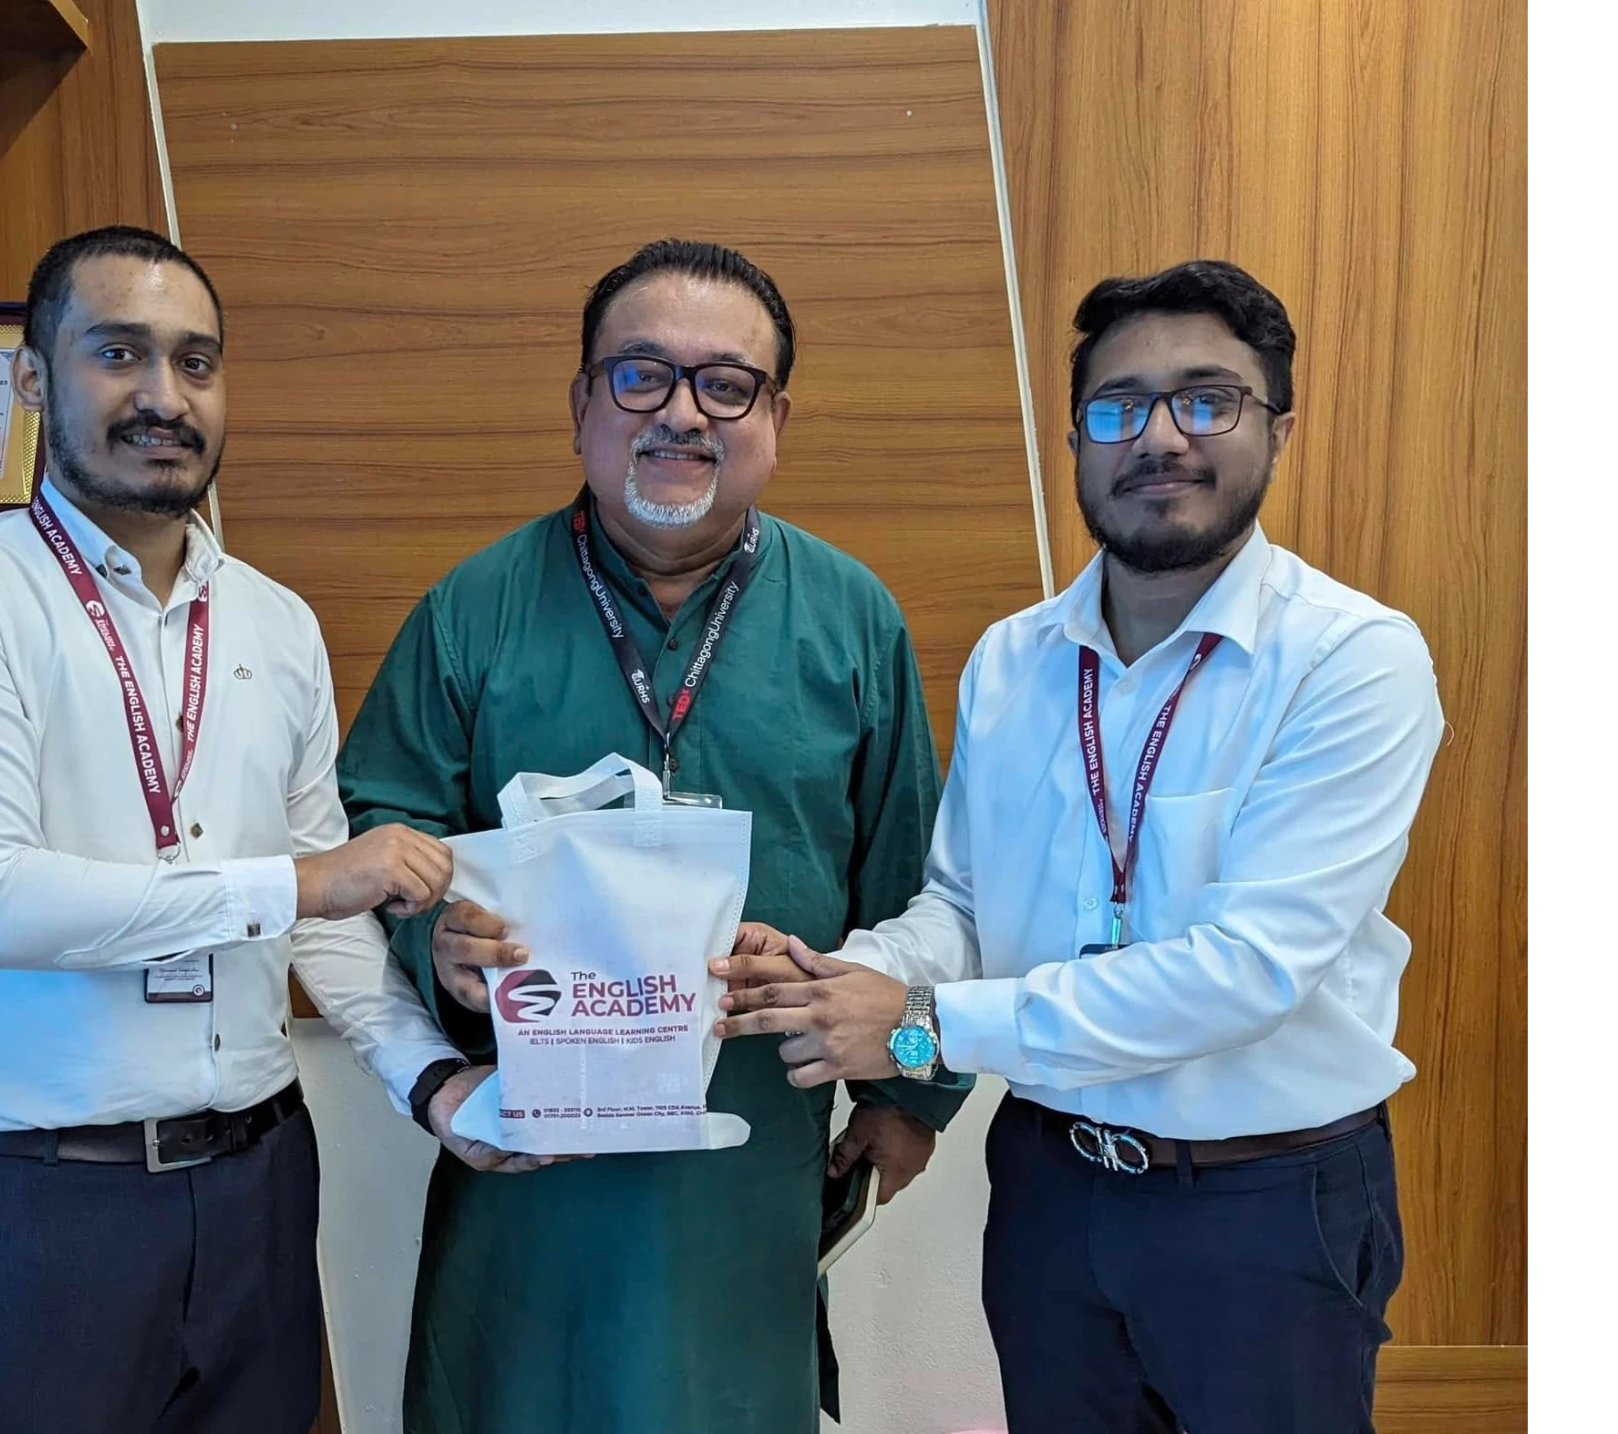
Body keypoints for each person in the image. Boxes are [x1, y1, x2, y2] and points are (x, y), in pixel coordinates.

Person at [715, 259, 1445, 1433]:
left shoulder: (1348, 660)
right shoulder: (1015, 658)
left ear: (1276, 428)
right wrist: (839, 974)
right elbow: (963, 904)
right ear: (1075, 441)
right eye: (1117, 406)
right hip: (1051, 1189)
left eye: (1204, 400)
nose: (1157, 436)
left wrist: (917, 1024)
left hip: (1260, 1198)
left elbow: (1248, 969)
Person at [0, 225, 530, 1434]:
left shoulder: (275, 622)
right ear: (30, 379)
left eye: (196, 362)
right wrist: (296, 884)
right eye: (119, 353)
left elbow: (330, 923)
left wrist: (431, 1080)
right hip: (42, 1209)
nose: (164, 396)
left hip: (259, 1189)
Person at [337, 237, 974, 1434]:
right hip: (528, 1149)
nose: (680, 413)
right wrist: (441, 939)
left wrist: (907, 1099)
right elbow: (375, 827)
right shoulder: (472, 609)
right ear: (581, 402)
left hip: (752, 1149)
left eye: (724, 385)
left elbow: (921, 880)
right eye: (640, 375)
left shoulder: (851, 617)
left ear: (774, 420)